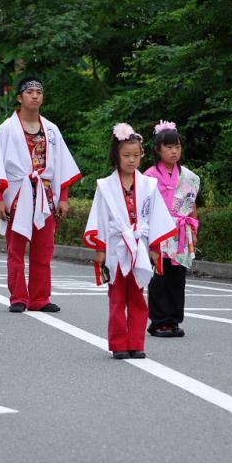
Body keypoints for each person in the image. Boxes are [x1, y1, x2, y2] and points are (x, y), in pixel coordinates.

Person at [0, 76, 82, 313]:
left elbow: (61, 165)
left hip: (45, 195)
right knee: (16, 249)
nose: (35, 95)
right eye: (30, 92)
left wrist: (64, 198)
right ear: (20, 98)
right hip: (17, 194)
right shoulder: (6, 128)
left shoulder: (51, 129)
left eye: (39, 91)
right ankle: (18, 297)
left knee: (43, 248)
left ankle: (40, 298)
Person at [84, 123, 176, 359]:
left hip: (140, 247)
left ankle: (136, 342)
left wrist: (155, 248)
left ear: (142, 155)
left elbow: (156, 218)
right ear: (116, 155)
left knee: (137, 296)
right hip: (116, 247)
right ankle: (118, 343)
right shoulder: (104, 186)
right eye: (126, 155)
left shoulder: (148, 185)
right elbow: (101, 219)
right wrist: (100, 250)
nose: (132, 160)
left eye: (136, 155)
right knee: (116, 298)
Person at [143, 121, 200, 338]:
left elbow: (192, 204)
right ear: (158, 149)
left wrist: (193, 228)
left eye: (177, 146)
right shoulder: (148, 177)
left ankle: (174, 320)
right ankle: (159, 321)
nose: (174, 151)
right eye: (169, 147)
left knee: (178, 277)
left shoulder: (189, 177)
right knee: (159, 276)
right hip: (158, 231)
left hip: (180, 233)